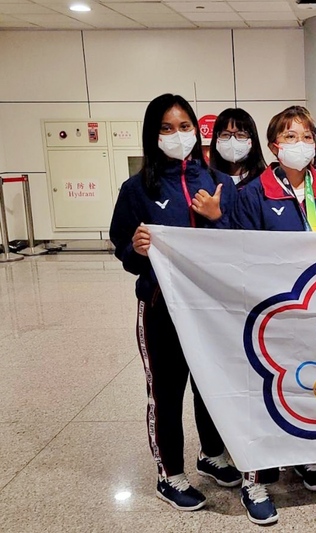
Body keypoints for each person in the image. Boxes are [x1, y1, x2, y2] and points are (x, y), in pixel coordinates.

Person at [109, 93, 240, 511]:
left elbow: (240, 244)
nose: (177, 135)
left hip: (210, 307)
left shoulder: (219, 182)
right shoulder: (136, 188)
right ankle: (170, 474)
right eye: (166, 128)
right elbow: (122, 245)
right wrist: (136, 250)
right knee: (167, 392)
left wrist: (218, 217)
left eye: (184, 126)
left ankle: (212, 454)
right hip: (161, 307)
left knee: (210, 384)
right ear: (153, 134)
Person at [230, 106, 316, 525]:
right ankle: (253, 479)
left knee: (309, 386)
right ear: (274, 146)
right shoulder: (253, 193)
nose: (300, 144)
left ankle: (306, 455)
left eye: (307, 136)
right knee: (262, 394)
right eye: (290, 137)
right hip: (271, 312)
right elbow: (241, 254)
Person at [208, 108, 267, 189]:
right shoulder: (208, 180)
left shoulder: (263, 181)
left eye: (240, 135)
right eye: (225, 134)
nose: (232, 141)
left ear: (252, 140)